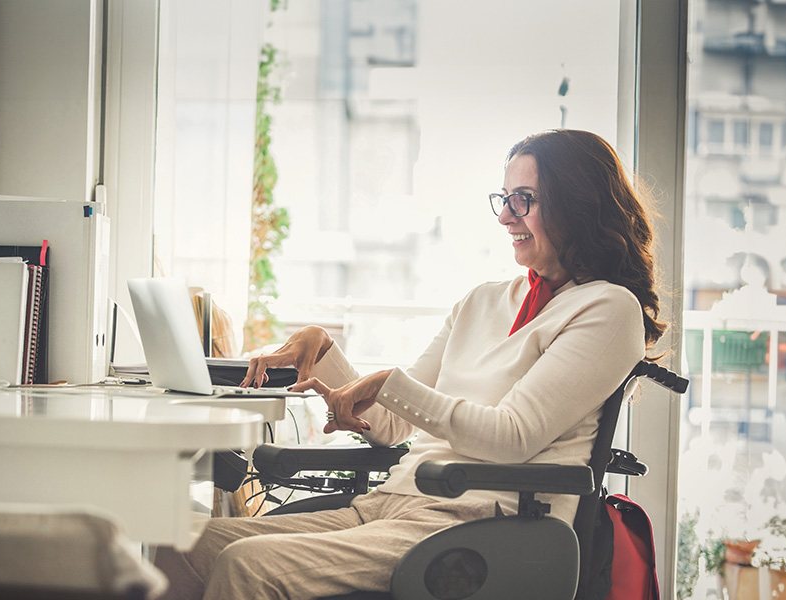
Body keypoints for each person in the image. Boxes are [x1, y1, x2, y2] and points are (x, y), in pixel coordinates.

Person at [154, 129, 667, 600]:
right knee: (177, 543)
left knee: (249, 565)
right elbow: (390, 424)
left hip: (476, 524)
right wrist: (325, 354)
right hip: (391, 504)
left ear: (576, 206)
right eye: (503, 199)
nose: (506, 216)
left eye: (523, 201)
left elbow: (512, 436)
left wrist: (387, 383)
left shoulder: (607, 309)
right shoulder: (482, 302)